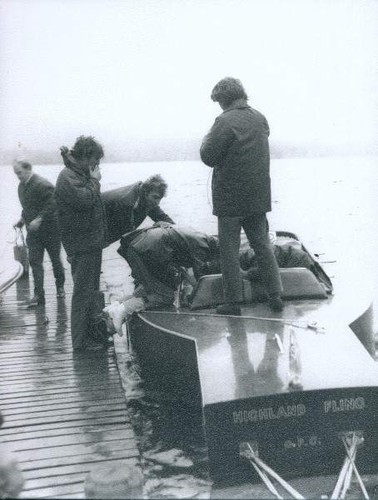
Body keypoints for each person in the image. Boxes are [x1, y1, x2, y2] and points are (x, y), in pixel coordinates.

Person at [200, 77, 283, 316]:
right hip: (258, 197)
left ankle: (233, 302)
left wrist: (206, 138)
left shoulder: (223, 121)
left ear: (224, 100)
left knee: (229, 250)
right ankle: (275, 295)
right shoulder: (260, 118)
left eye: (219, 102)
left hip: (230, 200)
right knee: (262, 245)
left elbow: (208, 156)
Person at [55, 136, 108, 351]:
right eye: (95, 160)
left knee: (89, 292)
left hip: (90, 243)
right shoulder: (67, 177)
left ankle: (89, 336)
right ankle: (80, 342)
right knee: (82, 294)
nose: (96, 165)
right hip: (82, 244)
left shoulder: (78, 173)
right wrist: (95, 180)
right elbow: (85, 200)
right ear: (85, 156)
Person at [13, 160, 65, 307]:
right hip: (33, 232)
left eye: (19, 172)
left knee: (55, 260)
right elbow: (27, 207)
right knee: (35, 262)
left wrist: (39, 219)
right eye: (16, 173)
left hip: (51, 230)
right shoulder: (21, 187)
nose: (18, 176)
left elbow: (53, 203)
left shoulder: (42, 184)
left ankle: (60, 287)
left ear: (28, 169)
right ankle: (38, 295)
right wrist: (22, 220)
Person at [102, 174, 174, 244]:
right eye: (155, 197)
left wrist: (166, 224)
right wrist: (156, 229)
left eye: (160, 198)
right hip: (94, 228)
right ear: (146, 192)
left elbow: (163, 218)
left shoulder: (147, 198)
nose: (157, 203)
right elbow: (128, 236)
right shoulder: (127, 203)